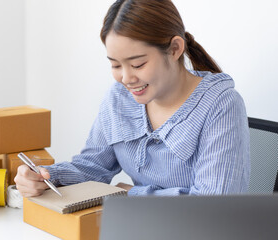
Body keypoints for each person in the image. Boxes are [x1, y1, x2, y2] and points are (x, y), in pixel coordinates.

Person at [15, 0, 250, 197]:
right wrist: (45, 176)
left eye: (138, 64)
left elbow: (214, 206)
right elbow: (94, 167)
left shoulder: (221, 105)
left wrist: (132, 195)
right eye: (115, 65)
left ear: (175, 49)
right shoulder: (119, 98)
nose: (126, 78)